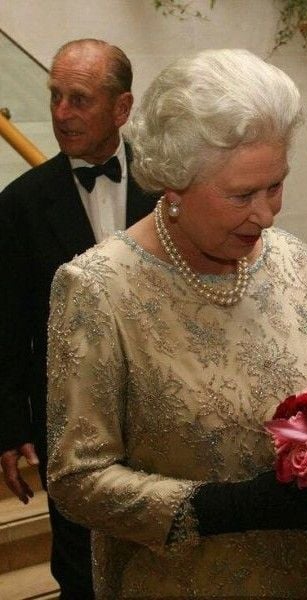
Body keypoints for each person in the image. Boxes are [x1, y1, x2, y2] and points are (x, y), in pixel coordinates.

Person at [45, 48, 307, 598]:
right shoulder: (99, 288)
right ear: (173, 184)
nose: (267, 215)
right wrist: (223, 508)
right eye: (242, 195)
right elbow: (78, 479)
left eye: (276, 185)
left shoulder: (295, 261)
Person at [0, 38, 154, 599]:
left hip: (166, 413)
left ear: (122, 108)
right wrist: (10, 429)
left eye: (80, 99)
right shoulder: (18, 205)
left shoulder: (169, 186)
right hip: (71, 425)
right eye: (56, 96)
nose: (62, 113)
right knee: (81, 571)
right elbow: (7, 330)